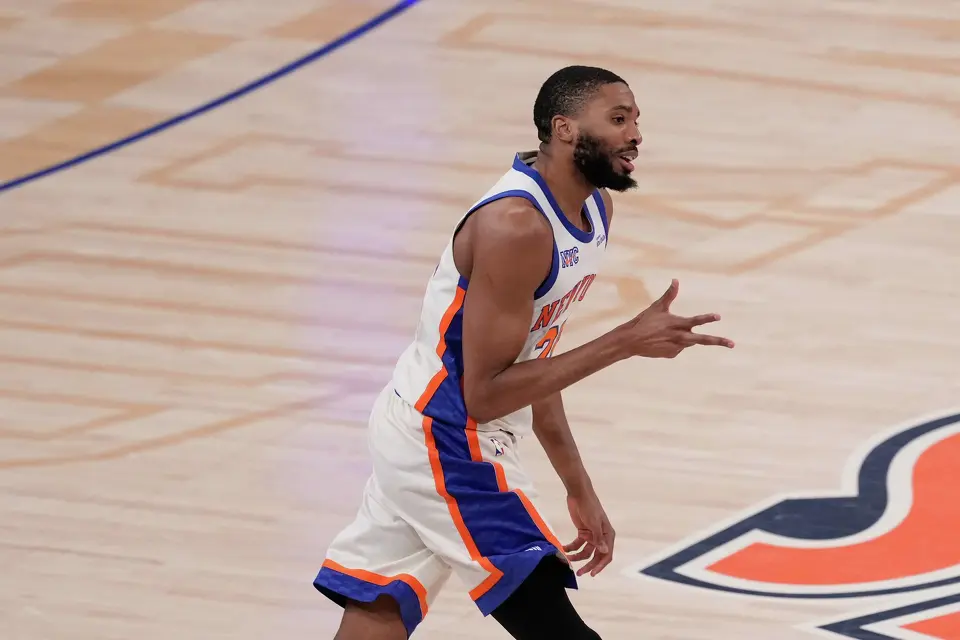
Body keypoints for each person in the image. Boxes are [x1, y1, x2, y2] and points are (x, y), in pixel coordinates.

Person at [312, 65, 735, 640]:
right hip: (446, 438)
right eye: (618, 119)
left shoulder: (594, 210)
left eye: (636, 120)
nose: (636, 135)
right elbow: (484, 395)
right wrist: (623, 341)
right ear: (564, 129)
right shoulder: (516, 227)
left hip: (428, 429)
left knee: (378, 613)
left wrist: (578, 486)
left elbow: (538, 361)